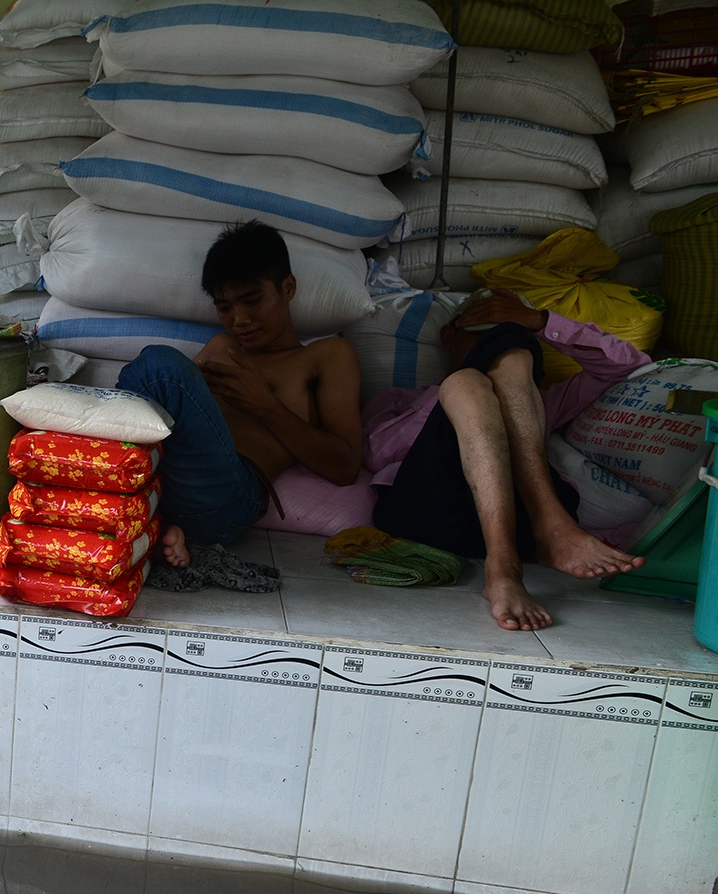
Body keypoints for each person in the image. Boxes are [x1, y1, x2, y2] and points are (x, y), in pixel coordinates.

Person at [368, 290, 644, 631]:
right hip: (428, 513)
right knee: (465, 382)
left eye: (514, 333)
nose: (491, 345)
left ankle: (533, 543)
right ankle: (519, 554)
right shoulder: (399, 400)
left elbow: (630, 366)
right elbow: (367, 457)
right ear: (449, 336)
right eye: (483, 333)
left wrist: (542, 323)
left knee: (505, 354)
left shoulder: (539, 403)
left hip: (521, 524)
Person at [116, 221, 364, 589]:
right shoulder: (221, 348)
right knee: (157, 383)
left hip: (231, 496)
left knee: (162, 369)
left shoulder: (326, 356)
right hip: (165, 484)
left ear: (288, 288)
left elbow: (345, 468)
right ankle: (153, 526)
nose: (240, 319)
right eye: (225, 307)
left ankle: (143, 512)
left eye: (252, 300)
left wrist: (263, 403)